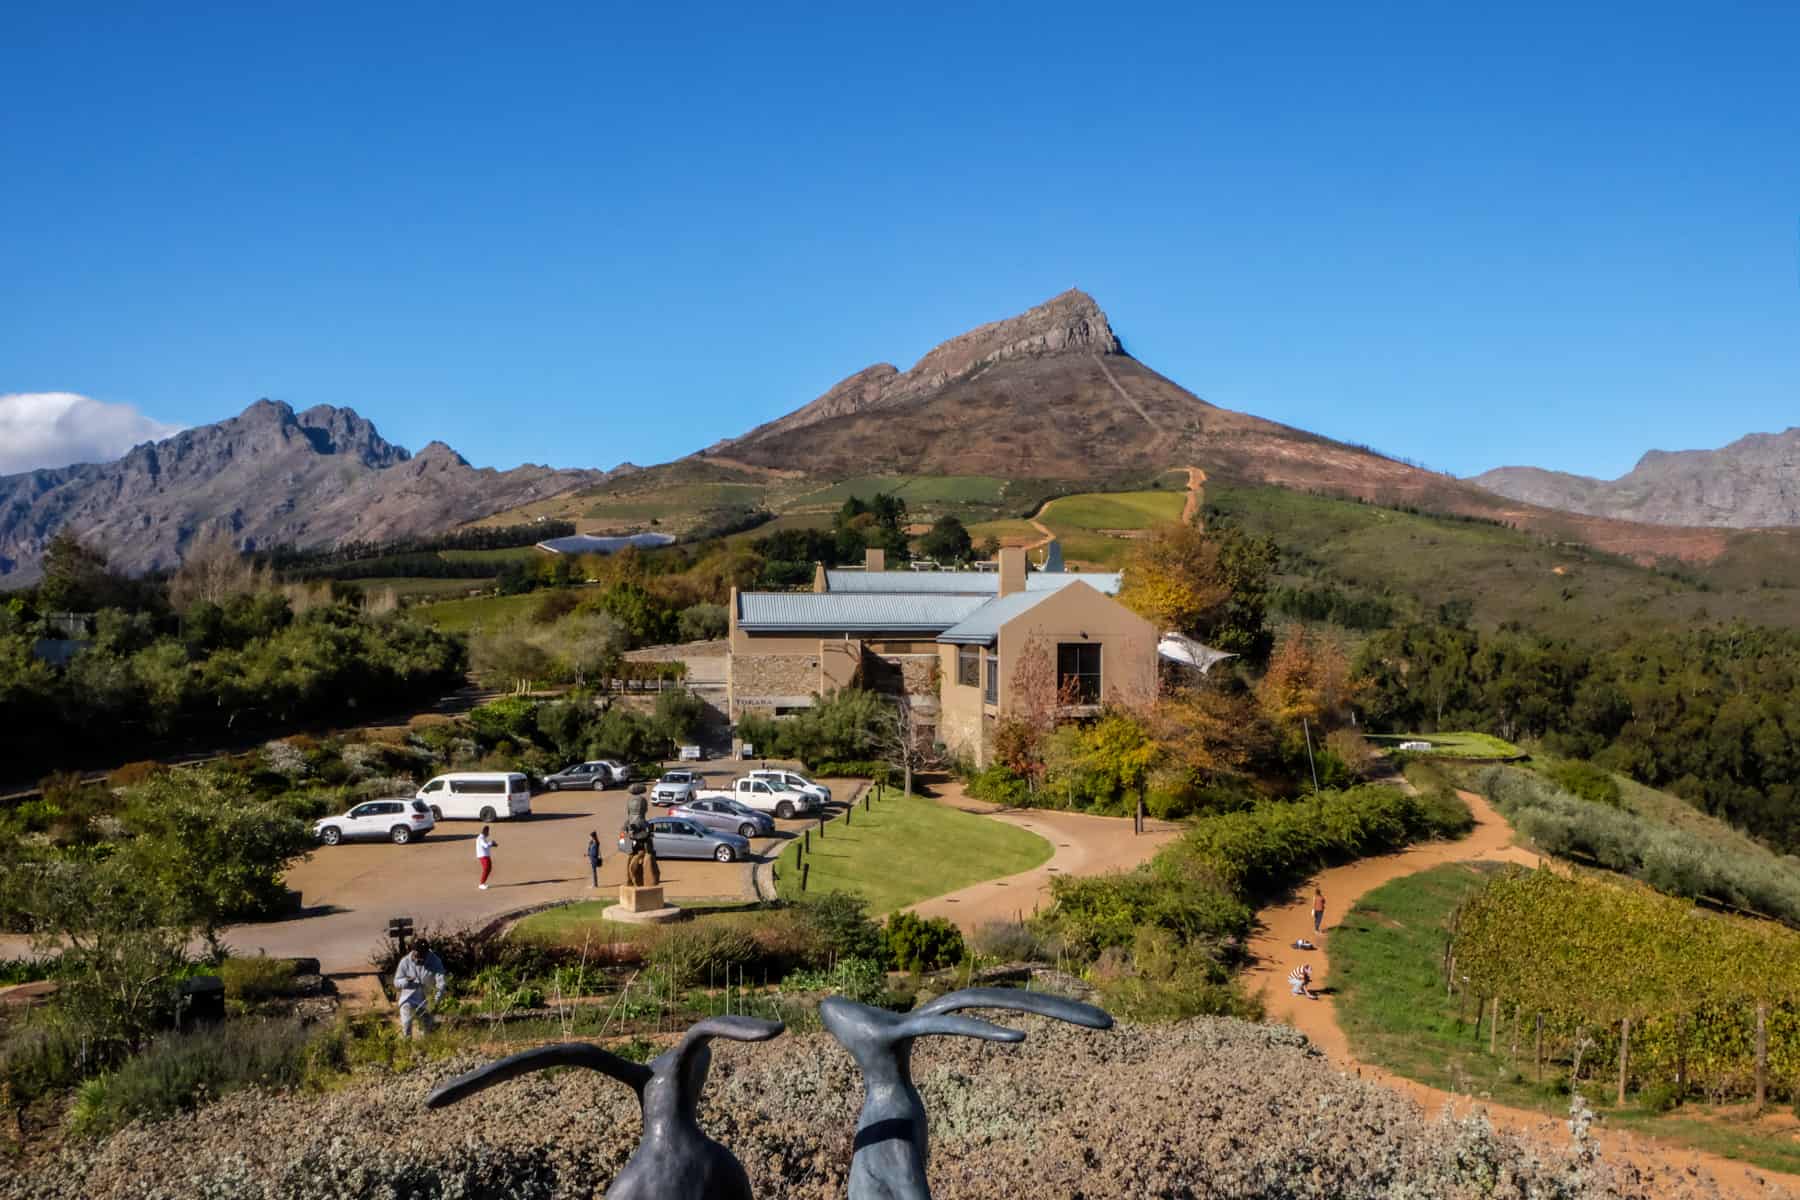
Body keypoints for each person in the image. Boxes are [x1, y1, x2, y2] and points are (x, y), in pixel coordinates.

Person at [394, 940, 448, 1037]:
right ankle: (407, 1045)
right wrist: (406, 981)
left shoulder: (435, 961)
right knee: (406, 1023)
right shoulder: (405, 961)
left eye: (423, 956)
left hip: (426, 999)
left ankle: (424, 1047)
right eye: (417, 955)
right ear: (413, 951)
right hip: (408, 998)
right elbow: (396, 982)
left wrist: (435, 1001)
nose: (419, 958)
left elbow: (441, 983)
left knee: (427, 1028)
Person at [476, 825, 497, 889]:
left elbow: (486, 845)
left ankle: (482, 883)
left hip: (486, 855)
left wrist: (492, 844)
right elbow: (485, 845)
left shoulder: (483, 838)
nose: (488, 833)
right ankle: (481, 884)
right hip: (483, 856)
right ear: (485, 832)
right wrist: (491, 843)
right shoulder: (481, 838)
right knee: (486, 868)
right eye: (488, 832)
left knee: (489, 868)